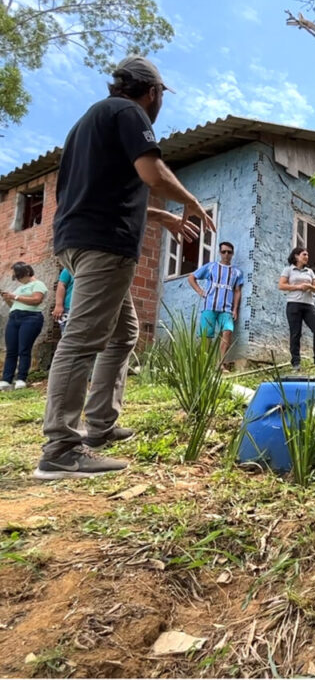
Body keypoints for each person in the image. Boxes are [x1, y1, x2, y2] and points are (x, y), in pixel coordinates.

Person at [37, 56, 214, 480]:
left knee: (123, 332)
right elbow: (150, 171)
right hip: (104, 245)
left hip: (78, 240)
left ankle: (100, 425)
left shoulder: (87, 123)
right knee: (82, 339)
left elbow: (101, 191)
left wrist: (160, 217)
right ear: (152, 92)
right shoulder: (130, 113)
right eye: (160, 97)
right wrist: (188, 200)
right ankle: (59, 448)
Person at [188, 241, 243, 363]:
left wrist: (235, 309)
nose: (226, 254)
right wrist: (200, 291)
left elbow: (237, 291)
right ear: (220, 252)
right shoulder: (211, 267)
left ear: (232, 254)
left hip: (226, 309)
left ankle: (220, 365)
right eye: (224, 252)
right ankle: (204, 365)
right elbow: (191, 277)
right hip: (210, 306)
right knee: (206, 337)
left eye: (229, 252)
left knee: (228, 332)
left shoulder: (237, 272)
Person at [1, 262, 47, 390]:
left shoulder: (38, 284)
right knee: (11, 350)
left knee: (24, 349)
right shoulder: (19, 288)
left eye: (19, 276)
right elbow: (14, 305)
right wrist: (8, 299)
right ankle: (6, 380)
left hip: (30, 318)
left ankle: (21, 379)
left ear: (27, 272)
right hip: (14, 317)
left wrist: (14, 296)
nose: (19, 280)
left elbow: (36, 300)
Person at [279, 247, 315, 369]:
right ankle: (296, 361)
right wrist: (299, 287)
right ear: (296, 256)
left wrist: (309, 287)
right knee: (296, 333)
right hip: (293, 304)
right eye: (304, 254)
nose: (307, 257)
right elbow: (282, 285)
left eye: (307, 255)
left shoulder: (309, 272)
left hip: (309, 304)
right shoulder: (288, 270)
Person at [52, 268, 74, 334]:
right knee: (68, 335)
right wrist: (58, 305)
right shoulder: (69, 267)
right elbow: (61, 285)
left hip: (92, 308)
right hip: (70, 307)